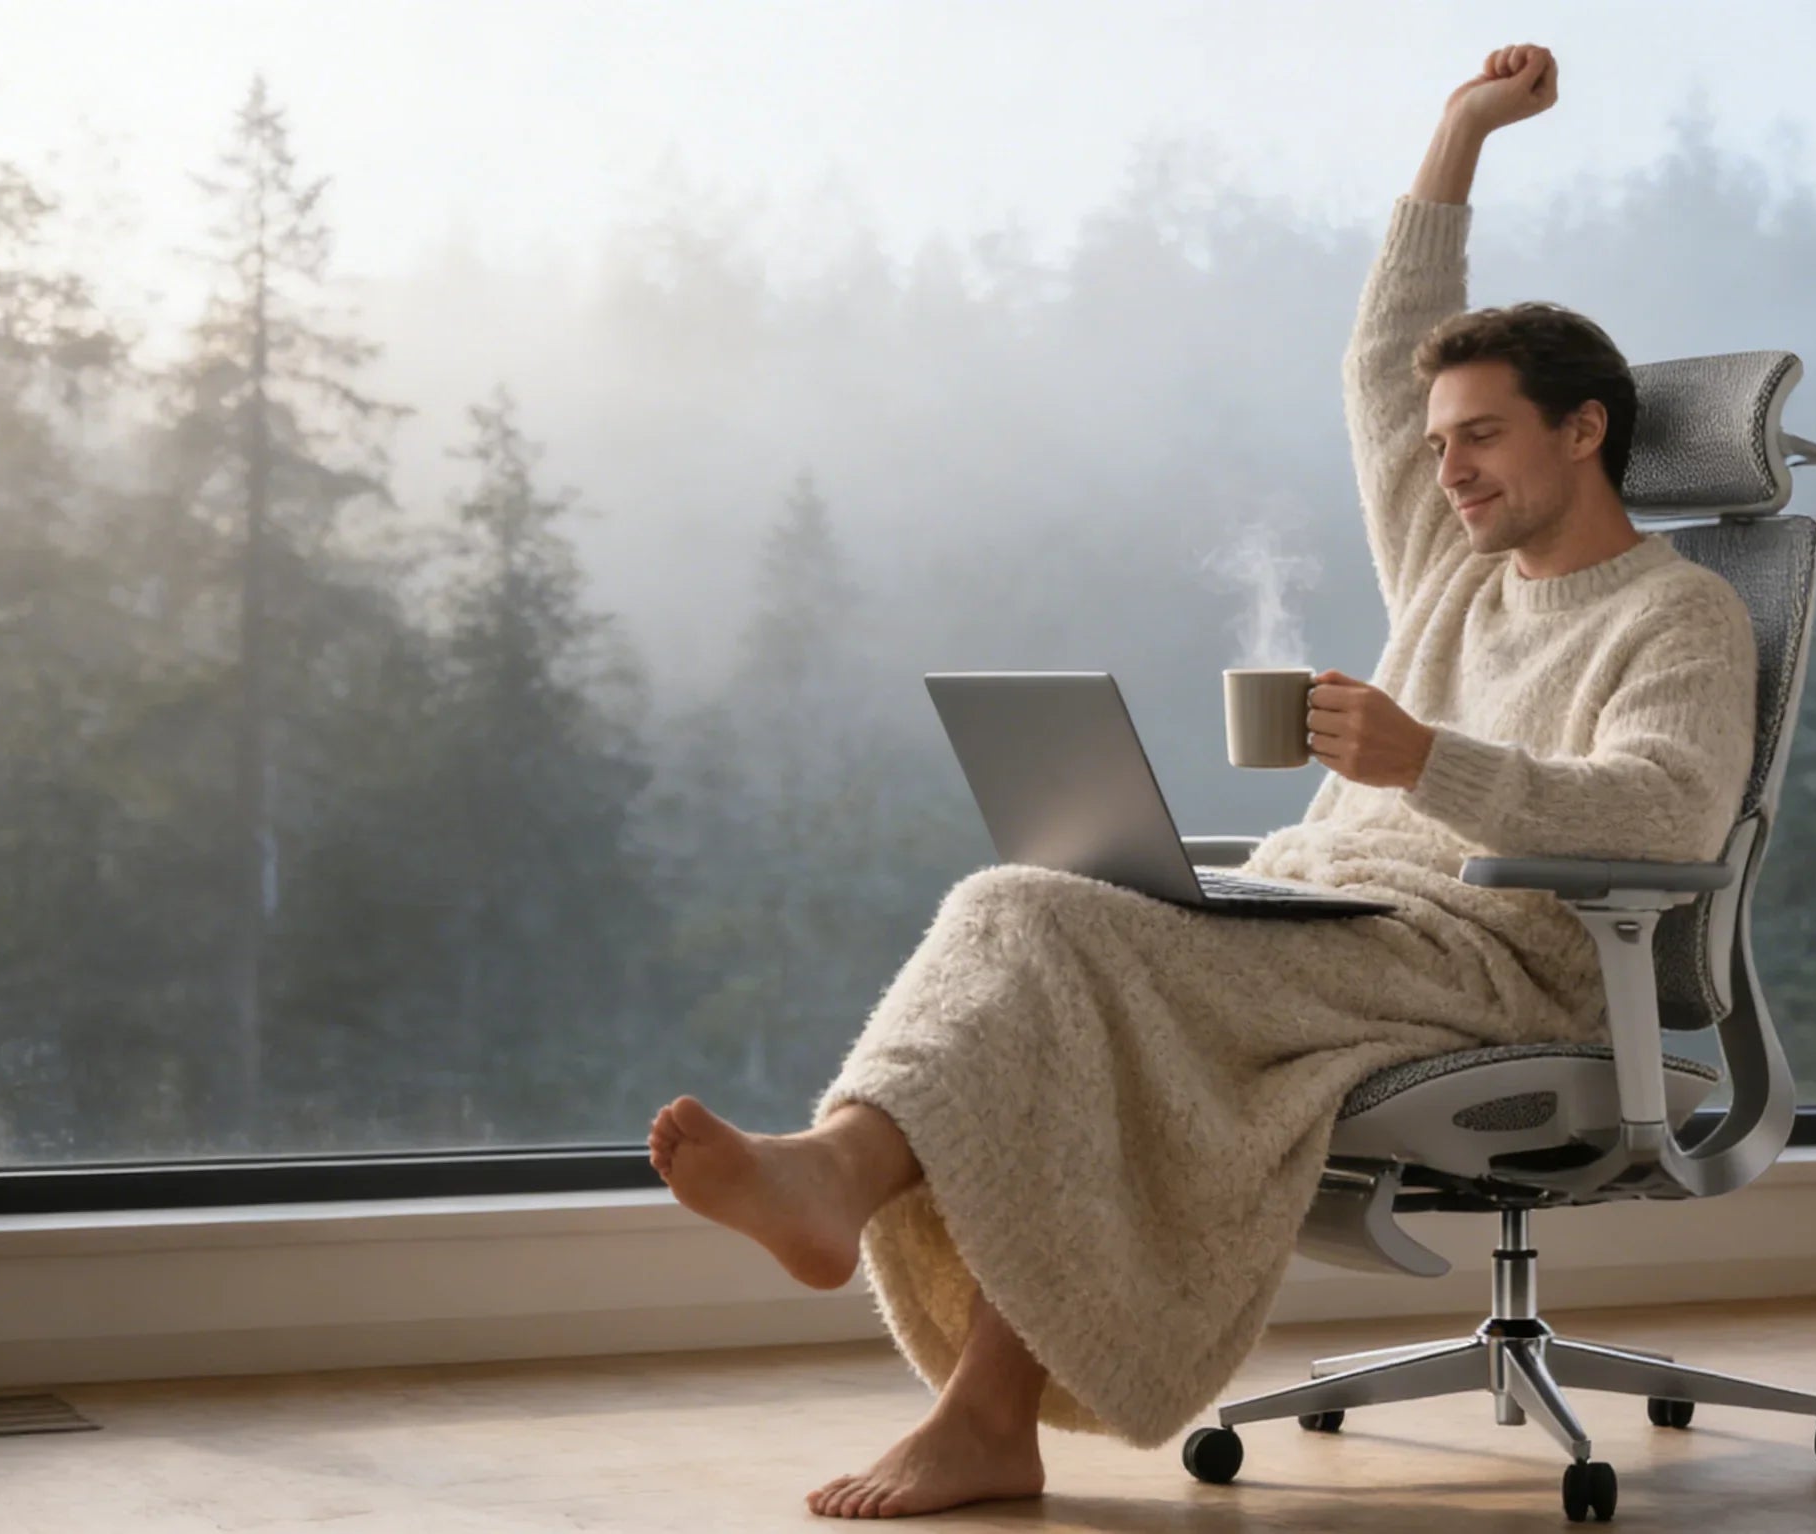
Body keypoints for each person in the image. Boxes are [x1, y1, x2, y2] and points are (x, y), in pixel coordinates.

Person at [648, 41, 1758, 1521]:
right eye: (1439, 448)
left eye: (1483, 436)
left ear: (1584, 428)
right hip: (1334, 925)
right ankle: (951, 1363)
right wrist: (1458, 135)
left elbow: (1668, 814)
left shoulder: (1677, 614)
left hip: (1501, 962)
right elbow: (1385, 357)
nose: (1452, 471)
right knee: (1052, 923)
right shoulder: (1451, 561)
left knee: (1039, 919)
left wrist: (1430, 762)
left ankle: (850, 1197)